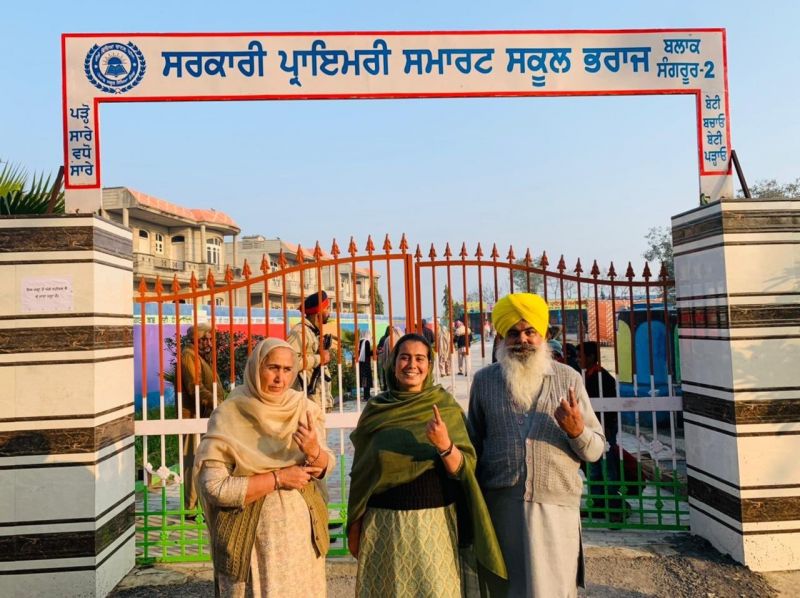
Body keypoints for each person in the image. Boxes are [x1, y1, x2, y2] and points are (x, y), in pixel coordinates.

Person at [347, 333, 506, 597]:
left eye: (420, 359)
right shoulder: (376, 409)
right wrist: (355, 526)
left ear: (429, 366)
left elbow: (464, 468)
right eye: (404, 357)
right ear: (393, 363)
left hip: (433, 526)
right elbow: (362, 473)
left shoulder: (444, 407)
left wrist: (444, 444)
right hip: (382, 526)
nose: (412, 365)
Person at [468, 293, 605, 597]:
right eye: (514, 333)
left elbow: (595, 450)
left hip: (556, 511)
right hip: (500, 510)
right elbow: (473, 448)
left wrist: (577, 431)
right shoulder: (484, 382)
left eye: (531, 332)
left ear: (543, 335)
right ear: (501, 337)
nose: (523, 340)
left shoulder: (568, 378)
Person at [195, 338, 334, 597]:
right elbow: (214, 487)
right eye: (272, 368)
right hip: (251, 540)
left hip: (301, 540)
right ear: (256, 367)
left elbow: (325, 464)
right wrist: (278, 478)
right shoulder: (230, 414)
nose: (280, 378)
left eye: (287, 369)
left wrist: (315, 451)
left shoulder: (302, 408)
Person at [180, 323, 227, 515]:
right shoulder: (189, 356)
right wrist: (215, 402)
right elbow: (194, 387)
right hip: (194, 415)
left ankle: (199, 502)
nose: (208, 343)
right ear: (194, 340)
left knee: (201, 459)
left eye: (209, 339)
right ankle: (191, 507)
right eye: (204, 339)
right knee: (192, 460)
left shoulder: (200, 357)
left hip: (205, 415)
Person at [581, 341, 627, 523]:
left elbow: (609, 405)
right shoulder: (585, 376)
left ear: (592, 356)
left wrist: (607, 426)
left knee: (608, 469)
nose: (579, 359)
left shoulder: (602, 377)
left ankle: (615, 506)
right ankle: (598, 506)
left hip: (604, 428)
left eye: (581, 355)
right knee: (593, 468)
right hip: (589, 427)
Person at [287, 290, 333, 412]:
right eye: (327, 308)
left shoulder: (312, 331)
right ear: (318, 312)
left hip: (318, 400)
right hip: (308, 403)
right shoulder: (300, 332)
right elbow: (290, 363)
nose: (329, 312)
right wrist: (320, 358)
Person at [356, 333, 373, 399]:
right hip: (366, 363)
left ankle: (365, 395)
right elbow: (368, 353)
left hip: (361, 363)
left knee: (364, 379)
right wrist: (375, 352)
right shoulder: (367, 342)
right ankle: (367, 395)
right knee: (367, 378)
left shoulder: (360, 341)